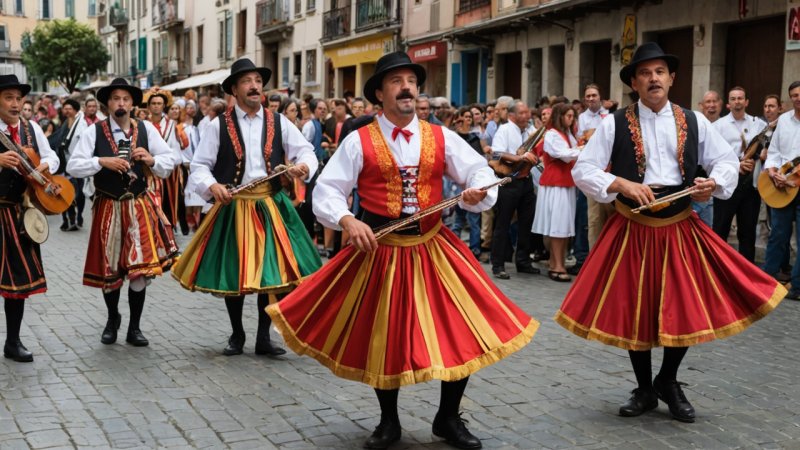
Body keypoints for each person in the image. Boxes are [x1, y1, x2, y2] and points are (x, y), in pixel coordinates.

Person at [266, 51, 538, 450]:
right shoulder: (358, 140)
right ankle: (388, 421)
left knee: (460, 330)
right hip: (382, 248)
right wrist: (347, 221)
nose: (407, 87)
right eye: (396, 81)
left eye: (411, 80)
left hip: (434, 246)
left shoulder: (440, 135)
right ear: (380, 93)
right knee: (386, 337)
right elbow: (327, 190)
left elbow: (478, 169)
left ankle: (447, 418)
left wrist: (476, 188)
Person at [556, 42, 785, 424]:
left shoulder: (695, 120)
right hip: (634, 227)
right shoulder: (614, 123)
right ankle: (645, 388)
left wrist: (713, 182)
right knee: (636, 309)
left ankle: (668, 379)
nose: (653, 79)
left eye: (660, 72)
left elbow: (727, 162)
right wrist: (621, 184)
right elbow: (584, 169)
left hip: (680, 226)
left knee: (686, 305)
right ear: (634, 82)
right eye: (645, 73)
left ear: (672, 78)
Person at [171, 58, 321, 356]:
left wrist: (303, 166)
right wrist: (211, 186)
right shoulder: (217, 126)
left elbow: (306, 150)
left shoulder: (279, 121)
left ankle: (263, 337)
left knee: (271, 275)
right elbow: (199, 166)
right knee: (236, 272)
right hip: (235, 205)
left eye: (257, 81)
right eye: (247, 81)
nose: (254, 86)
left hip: (271, 205)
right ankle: (237, 333)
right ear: (234, 90)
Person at [67, 78, 180, 347]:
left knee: (139, 270)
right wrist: (100, 161)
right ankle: (111, 319)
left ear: (132, 104)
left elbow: (171, 159)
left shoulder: (147, 130)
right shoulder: (93, 132)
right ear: (108, 103)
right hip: (108, 205)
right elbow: (72, 166)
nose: (121, 104)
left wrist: (152, 159)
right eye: (116, 99)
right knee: (111, 269)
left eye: (126, 99)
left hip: (138, 205)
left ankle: (135, 327)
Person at [0, 75, 60, 362]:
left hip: (17, 214)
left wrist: (41, 164)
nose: (15, 103)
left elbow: (53, 157)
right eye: (8, 97)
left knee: (18, 284)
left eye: (18, 98)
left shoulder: (31, 127)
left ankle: (13, 341)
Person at [712, 87, 767, 262]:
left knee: (748, 233)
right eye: (733, 98)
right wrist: (737, 164)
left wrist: (760, 156)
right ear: (728, 103)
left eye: (740, 98)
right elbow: (714, 155)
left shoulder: (758, 124)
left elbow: (766, 149)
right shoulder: (718, 126)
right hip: (726, 185)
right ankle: (716, 270)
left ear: (746, 102)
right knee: (720, 231)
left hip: (750, 186)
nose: (737, 101)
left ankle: (748, 275)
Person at [490, 100, 540, 279]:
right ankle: (498, 264)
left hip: (526, 181)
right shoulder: (504, 130)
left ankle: (523, 261)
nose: (528, 116)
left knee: (526, 223)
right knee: (502, 223)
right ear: (512, 115)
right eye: (523, 113)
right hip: (509, 181)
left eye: (528, 112)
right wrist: (520, 158)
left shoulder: (529, 130)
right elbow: (496, 153)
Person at [533, 103, 581, 282]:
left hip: (565, 182)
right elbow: (564, 154)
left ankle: (556, 262)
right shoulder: (552, 134)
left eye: (572, 116)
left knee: (563, 226)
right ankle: (557, 264)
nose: (571, 119)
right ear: (560, 116)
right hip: (555, 183)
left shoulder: (568, 135)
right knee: (558, 225)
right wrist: (582, 149)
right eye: (568, 115)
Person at [762, 81, 800, 299]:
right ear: (789, 99)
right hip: (781, 186)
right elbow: (774, 151)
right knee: (777, 235)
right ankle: (767, 282)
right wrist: (773, 171)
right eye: (794, 95)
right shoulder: (784, 121)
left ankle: (797, 287)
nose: (798, 98)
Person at [145, 88, 188, 236]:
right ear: (149, 106)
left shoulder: (171, 125)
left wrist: (170, 164)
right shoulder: (143, 124)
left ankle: (168, 229)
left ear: (164, 106)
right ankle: (151, 227)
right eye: (154, 103)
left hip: (168, 170)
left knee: (168, 200)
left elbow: (175, 149)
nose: (156, 106)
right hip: (148, 169)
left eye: (159, 103)